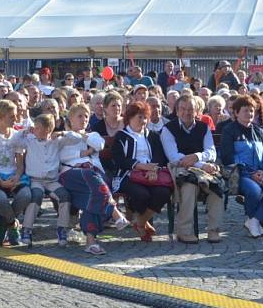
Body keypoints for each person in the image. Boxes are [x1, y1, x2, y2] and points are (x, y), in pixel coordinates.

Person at [59, 103, 129, 254]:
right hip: (72, 174)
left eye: (86, 116)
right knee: (93, 179)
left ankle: (91, 243)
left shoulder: (93, 135)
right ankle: (114, 211)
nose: (83, 119)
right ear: (70, 119)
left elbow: (100, 145)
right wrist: (83, 153)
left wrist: (84, 136)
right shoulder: (64, 136)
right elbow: (62, 156)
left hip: (94, 176)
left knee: (94, 194)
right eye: (79, 116)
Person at [11, 114, 84, 246]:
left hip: (51, 181)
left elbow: (77, 138)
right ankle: (27, 229)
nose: (35, 129)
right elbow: (13, 142)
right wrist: (24, 131)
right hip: (35, 180)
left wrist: (62, 133)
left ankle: (62, 229)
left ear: (47, 129)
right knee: (36, 196)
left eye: (38, 128)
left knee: (64, 196)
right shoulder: (30, 139)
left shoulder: (56, 141)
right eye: (34, 127)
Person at [161, 95, 222, 244]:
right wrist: (201, 164)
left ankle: (213, 230)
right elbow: (174, 157)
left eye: (191, 109)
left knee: (217, 186)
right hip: (179, 168)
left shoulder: (204, 127)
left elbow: (211, 152)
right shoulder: (168, 129)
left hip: (202, 169)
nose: (187, 112)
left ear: (197, 111)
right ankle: (184, 231)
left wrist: (197, 156)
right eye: (183, 109)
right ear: (176, 110)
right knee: (189, 186)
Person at [112, 101, 171, 242]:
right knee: (141, 194)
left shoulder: (153, 135)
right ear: (130, 118)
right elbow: (120, 160)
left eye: (145, 117)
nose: (143, 121)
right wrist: (142, 167)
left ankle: (140, 222)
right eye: (139, 117)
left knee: (163, 192)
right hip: (128, 175)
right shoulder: (121, 136)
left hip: (151, 173)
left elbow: (160, 156)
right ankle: (142, 222)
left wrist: (154, 170)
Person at [220, 95, 263, 238]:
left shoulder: (259, 132)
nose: (249, 114)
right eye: (245, 110)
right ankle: (256, 220)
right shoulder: (229, 130)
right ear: (236, 113)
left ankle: (254, 221)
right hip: (241, 174)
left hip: (262, 173)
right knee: (254, 190)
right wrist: (250, 173)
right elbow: (228, 157)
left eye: (251, 111)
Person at [0, 100, 30, 247]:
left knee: (26, 195)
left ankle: (4, 224)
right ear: (1, 117)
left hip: (14, 175)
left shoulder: (16, 135)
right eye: (12, 116)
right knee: (1, 200)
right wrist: (2, 182)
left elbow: (20, 163)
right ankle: (12, 225)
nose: (15, 119)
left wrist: (17, 176)